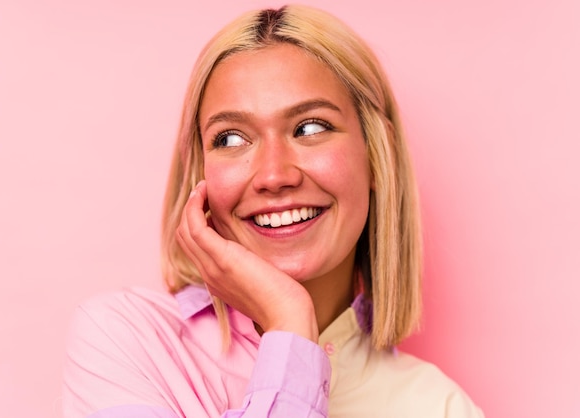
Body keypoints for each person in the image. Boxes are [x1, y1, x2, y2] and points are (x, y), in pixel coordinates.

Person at [62, 5, 484, 418]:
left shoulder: (440, 408)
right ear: (201, 172)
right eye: (231, 138)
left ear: (377, 155)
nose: (273, 175)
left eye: (311, 128)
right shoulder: (124, 341)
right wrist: (290, 324)